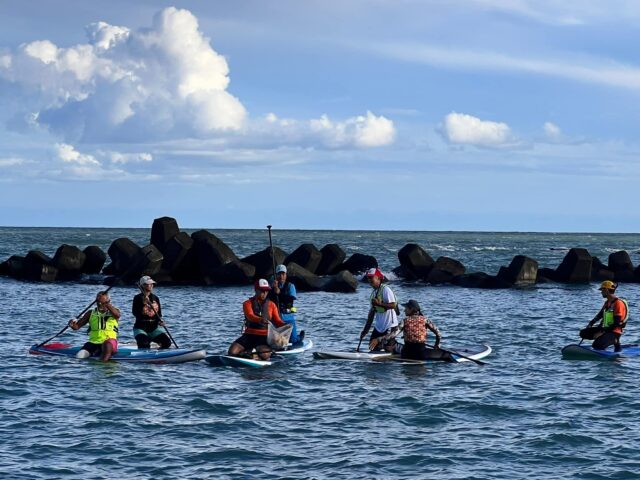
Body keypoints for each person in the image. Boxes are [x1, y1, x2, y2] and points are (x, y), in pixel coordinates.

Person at [228, 279, 287, 360]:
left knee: (265, 355)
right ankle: (249, 353)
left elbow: (277, 321)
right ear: (256, 290)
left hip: (264, 337)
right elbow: (250, 316)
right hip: (249, 336)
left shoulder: (272, 305)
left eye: (266, 291)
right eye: (262, 290)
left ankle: (252, 354)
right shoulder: (247, 303)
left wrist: (285, 325)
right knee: (232, 352)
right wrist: (260, 319)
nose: (265, 293)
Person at [68, 291, 121, 361]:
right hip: (93, 342)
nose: (100, 304)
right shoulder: (90, 313)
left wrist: (106, 303)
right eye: (98, 302)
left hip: (109, 342)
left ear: (108, 301)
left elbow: (117, 315)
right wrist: (72, 324)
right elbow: (77, 327)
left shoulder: (114, 311)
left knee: (107, 345)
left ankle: (102, 365)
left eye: (102, 302)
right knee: (80, 355)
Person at [580, 280, 629, 352]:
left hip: (614, 331)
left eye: (602, 290)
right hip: (605, 329)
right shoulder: (607, 302)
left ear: (606, 290)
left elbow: (616, 323)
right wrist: (591, 323)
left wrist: (602, 332)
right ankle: (603, 339)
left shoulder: (618, 303)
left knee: (597, 346)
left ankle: (615, 341)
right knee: (583, 333)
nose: (601, 292)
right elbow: (600, 314)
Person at [360, 268, 399, 351]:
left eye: (371, 277)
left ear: (378, 278)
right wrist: (365, 330)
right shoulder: (373, 293)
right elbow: (371, 314)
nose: (369, 280)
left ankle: (397, 348)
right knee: (372, 347)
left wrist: (379, 304)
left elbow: (393, 305)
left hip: (389, 325)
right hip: (379, 327)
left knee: (387, 349)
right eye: (368, 278)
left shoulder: (386, 290)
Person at [132, 275, 171, 349]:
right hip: (140, 328)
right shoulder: (137, 298)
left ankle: (159, 355)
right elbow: (135, 313)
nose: (151, 285)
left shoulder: (155, 298)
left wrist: (160, 321)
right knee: (145, 343)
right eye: (148, 284)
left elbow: (159, 314)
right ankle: (144, 352)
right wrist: (143, 303)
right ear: (143, 285)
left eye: (152, 284)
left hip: (154, 329)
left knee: (167, 342)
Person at [269, 264, 304, 345]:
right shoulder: (272, 287)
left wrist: (279, 293)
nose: (281, 276)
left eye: (283, 274)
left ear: (286, 275)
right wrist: (272, 290)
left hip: (288, 317)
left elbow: (290, 301)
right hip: (276, 317)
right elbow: (267, 300)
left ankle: (299, 337)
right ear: (276, 275)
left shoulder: (290, 286)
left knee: (293, 340)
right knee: (275, 340)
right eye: (279, 274)